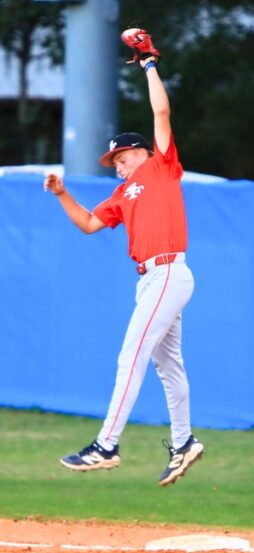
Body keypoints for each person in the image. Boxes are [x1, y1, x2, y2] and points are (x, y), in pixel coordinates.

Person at [43, 41, 204, 487]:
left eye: (123, 156)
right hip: (150, 279)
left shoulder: (161, 168)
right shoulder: (120, 193)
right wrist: (62, 195)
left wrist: (150, 65)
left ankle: (106, 444)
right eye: (113, 160)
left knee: (130, 355)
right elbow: (90, 224)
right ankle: (184, 442)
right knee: (167, 365)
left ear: (144, 154)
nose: (117, 163)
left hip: (169, 271)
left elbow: (161, 115)